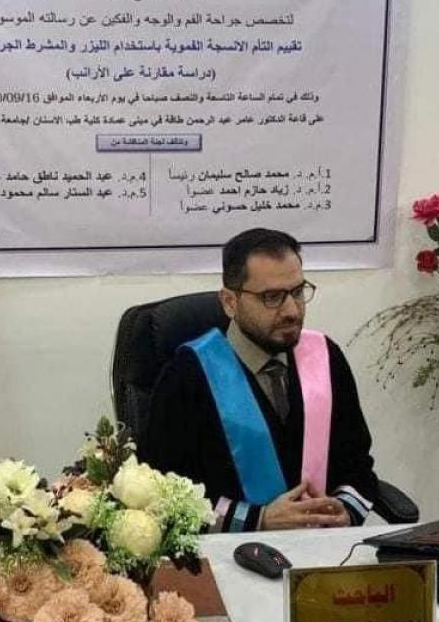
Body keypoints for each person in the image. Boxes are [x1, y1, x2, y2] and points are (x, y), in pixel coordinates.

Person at [141, 228, 380, 532]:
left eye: (298, 292)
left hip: (326, 547)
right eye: (272, 297)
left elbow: (357, 464)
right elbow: (163, 492)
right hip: (230, 551)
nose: (292, 310)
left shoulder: (326, 358)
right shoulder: (188, 375)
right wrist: (259, 519)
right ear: (230, 302)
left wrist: (344, 511)